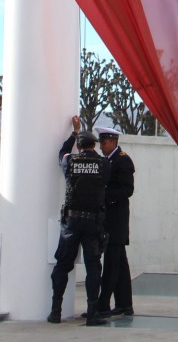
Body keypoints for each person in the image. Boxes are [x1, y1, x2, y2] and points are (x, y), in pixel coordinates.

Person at [48, 115, 110, 326]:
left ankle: (55, 311)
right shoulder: (103, 163)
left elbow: (61, 153)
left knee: (62, 265)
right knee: (93, 267)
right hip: (93, 223)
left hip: (71, 222)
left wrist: (74, 132)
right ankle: (92, 313)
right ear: (94, 144)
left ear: (79, 145)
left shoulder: (69, 161)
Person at [94, 126, 135, 317]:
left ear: (113, 141)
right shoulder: (106, 160)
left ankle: (102, 305)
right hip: (108, 218)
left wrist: (104, 196)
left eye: (104, 142)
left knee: (112, 263)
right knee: (120, 263)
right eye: (100, 142)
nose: (101, 145)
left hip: (116, 219)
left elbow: (127, 190)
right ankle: (124, 304)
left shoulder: (122, 160)